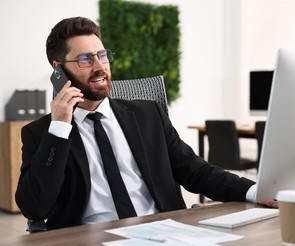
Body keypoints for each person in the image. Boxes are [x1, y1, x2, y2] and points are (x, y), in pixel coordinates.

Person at [15, 17, 276, 230]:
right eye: (85, 59)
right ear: (58, 69)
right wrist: (60, 128)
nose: (99, 66)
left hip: (165, 232)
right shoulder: (41, 133)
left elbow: (197, 172)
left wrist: (255, 191)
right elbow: (35, 207)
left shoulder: (147, 114)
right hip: (89, 242)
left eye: (102, 55)